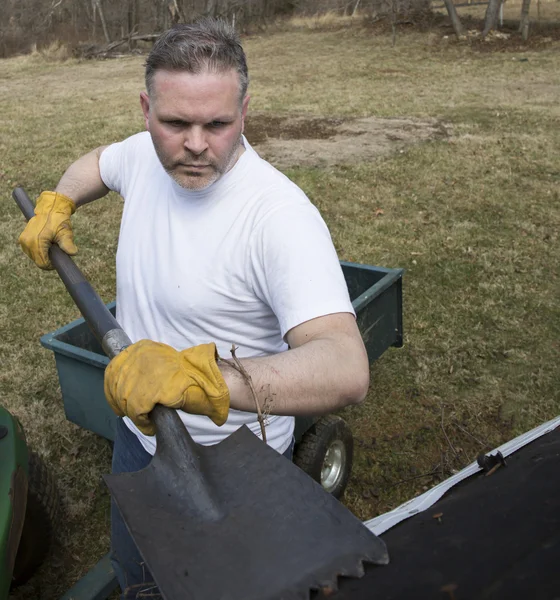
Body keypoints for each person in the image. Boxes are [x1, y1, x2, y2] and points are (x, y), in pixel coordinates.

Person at [18, 18, 370, 599]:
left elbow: (343, 366)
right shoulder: (144, 157)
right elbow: (99, 164)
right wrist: (60, 199)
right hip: (141, 437)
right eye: (175, 123)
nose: (197, 145)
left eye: (218, 123)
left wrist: (199, 376)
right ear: (146, 109)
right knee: (137, 576)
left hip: (236, 465)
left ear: (245, 111)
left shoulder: (278, 217)